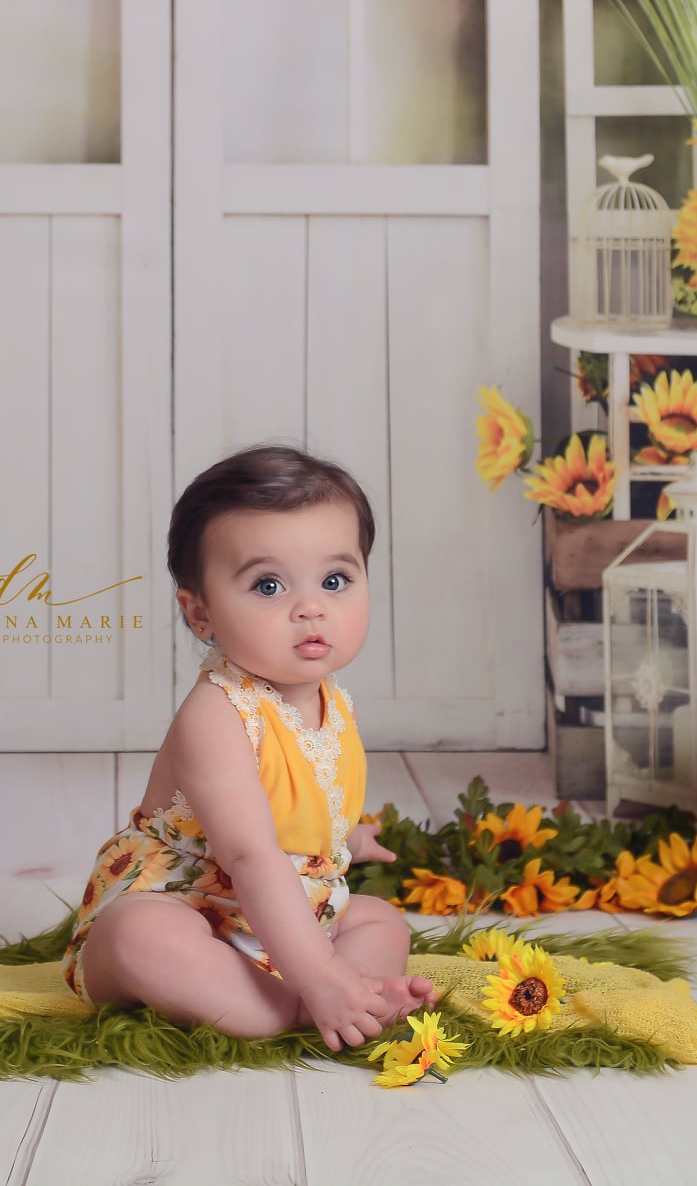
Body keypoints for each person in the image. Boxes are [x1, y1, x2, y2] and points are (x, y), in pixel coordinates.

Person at [60, 444, 435, 1050]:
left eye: (336, 580)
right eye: (268, 585)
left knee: (379, 919)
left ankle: (337, 991)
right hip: (190, 905)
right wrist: (317, 970)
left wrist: (347, 838)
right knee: (139, 937)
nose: (311, 607)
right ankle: (300, 1000)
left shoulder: (332, 699)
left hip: (285, 911)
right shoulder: (217, 714)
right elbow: (252, 856)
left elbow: (302, 802)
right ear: (200, 612)